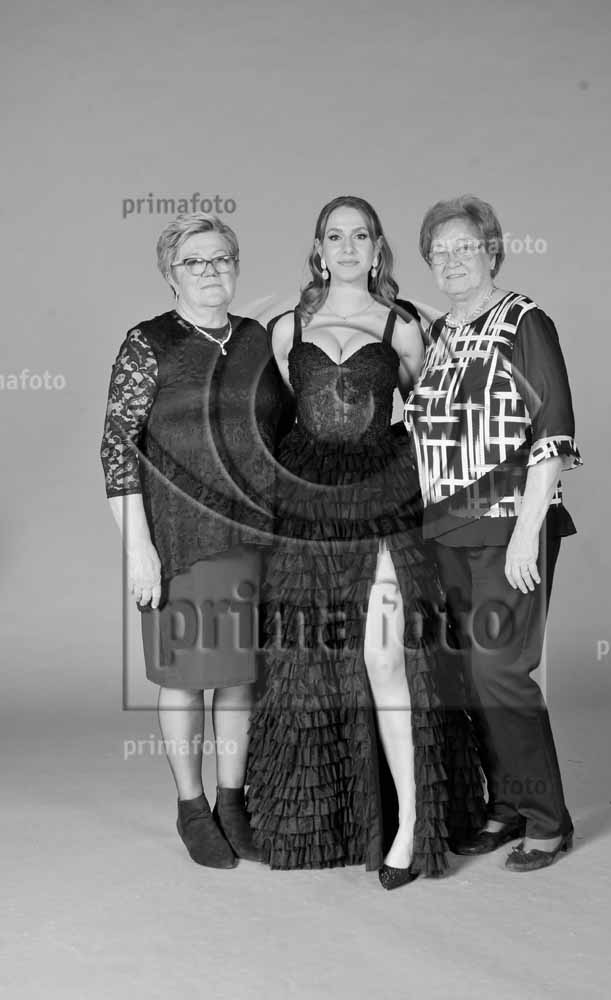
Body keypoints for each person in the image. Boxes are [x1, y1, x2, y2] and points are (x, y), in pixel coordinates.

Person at [246, 195, 485, 889]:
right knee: (314, 658)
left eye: (360, 235)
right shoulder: (285, 328)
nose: (347, 246)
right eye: (334, 236)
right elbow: (275, 414)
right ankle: (336, 821)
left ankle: (410, 825)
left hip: (382, 494)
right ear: (318, 250)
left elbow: (433, 411)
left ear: (377, 249)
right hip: (308, 501)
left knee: (385, 657)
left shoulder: (401, 325)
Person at [101, 213, 287, 868]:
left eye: (220, 259)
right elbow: (118, 451)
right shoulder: (148, 342)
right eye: (193, 262)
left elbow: (287, 432)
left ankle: (232, 802)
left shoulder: (258, 340)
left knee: (239, 677)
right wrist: (138, 550)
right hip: (178, 542)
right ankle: (191, 804)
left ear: (236, 267)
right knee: (185, 679)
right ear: (170, 274)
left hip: (253, 538)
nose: (209, 271)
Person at [404, 194, 581, 871]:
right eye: (438, 252)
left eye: (464, 248)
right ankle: (506, 805)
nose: (451, 260)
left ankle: (547, 819)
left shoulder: (523, 321)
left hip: (510, 522)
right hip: (445, 531)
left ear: (492, 252)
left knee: (499, 670)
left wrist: (526, 533)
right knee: (470, 677)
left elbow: (552, 433)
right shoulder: (439, 334)